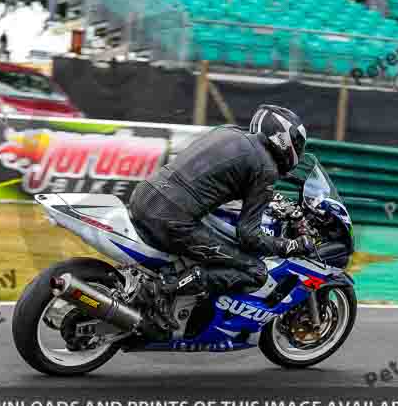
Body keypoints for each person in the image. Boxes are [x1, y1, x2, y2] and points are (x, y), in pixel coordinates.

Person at [128, 105, 316, 335]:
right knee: (254, 270)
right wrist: (291, 245)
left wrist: (275, 203)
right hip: (171, 218)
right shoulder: (266, 168)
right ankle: (162, 289)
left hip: (145, 195)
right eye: (296, 143)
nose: (298, 150)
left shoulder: (228, 132)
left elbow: (218, 180)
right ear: (283, 138)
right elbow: (249, 236)